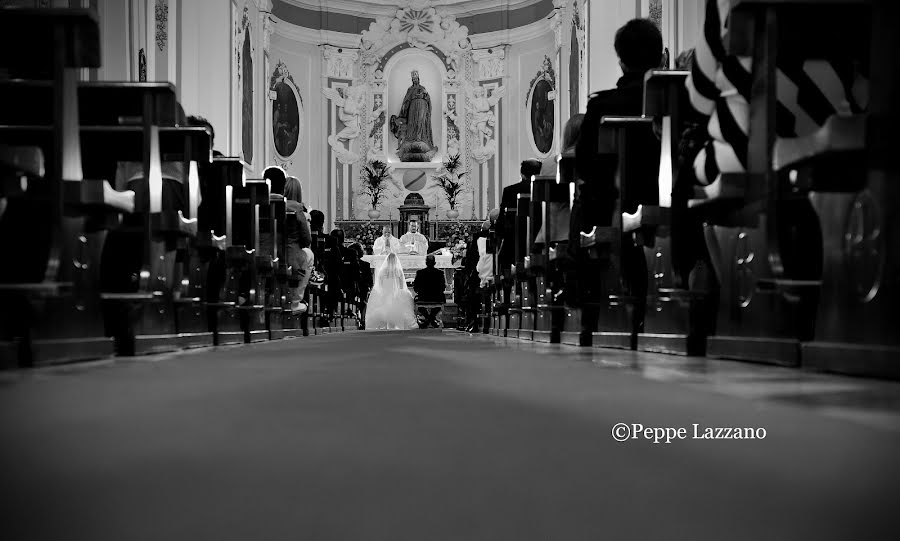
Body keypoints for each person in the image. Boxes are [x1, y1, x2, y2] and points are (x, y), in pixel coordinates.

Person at [573, 18, 663, 331]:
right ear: (661, 56)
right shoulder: (681, 97)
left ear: (621, 62)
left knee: (587, 205)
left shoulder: (602, 106)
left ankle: (592, 309)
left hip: (613, 207)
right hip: (671, 196)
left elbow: (584, 164)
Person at [496, 159, 543, 274]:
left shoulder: (510, 191)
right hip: (541, 242)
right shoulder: (545, 188)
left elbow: (501, 223)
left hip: (514, 245)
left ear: (522, 174)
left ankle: (506, 286)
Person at [283, 177, 313, 313]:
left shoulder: (266, 203)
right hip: (290, 255)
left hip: (268, 252)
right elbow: (306, 239)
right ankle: (295, 300)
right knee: (309, 255)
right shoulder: (297, 207)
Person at [365, 252, 417, 330]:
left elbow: (380, 284)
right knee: (404, 299)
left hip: (385, 292)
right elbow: (401, 286)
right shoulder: (398, 271)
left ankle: (384, 324)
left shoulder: (383, 271)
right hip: (396, 293)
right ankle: (397, 324)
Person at [393, 70, 436, 161]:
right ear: (412, 80)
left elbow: (428, 98)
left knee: (420, 122)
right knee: (412, 123)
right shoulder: (410, 89)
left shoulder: (422, 88)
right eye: (413, 79)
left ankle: (420, 138)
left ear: (418, 79)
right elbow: (406, 100)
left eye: (416, 78)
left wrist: (426, 95)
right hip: (412, 108)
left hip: (422, 107)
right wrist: (404, 109)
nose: (415, 80)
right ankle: (411, 138)